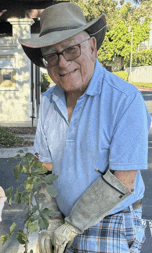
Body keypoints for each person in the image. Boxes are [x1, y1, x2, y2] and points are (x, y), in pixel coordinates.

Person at [19, 2, 151, 253]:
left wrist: (71, 225)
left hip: (112, 219)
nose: (62, 64)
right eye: (51, 55)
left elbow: (124, 181)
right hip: (64, 221)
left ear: (92, 47)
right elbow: (42, 168)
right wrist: (52, 220)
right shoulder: (48, 101)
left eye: (70, 50)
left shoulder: (125, 99)